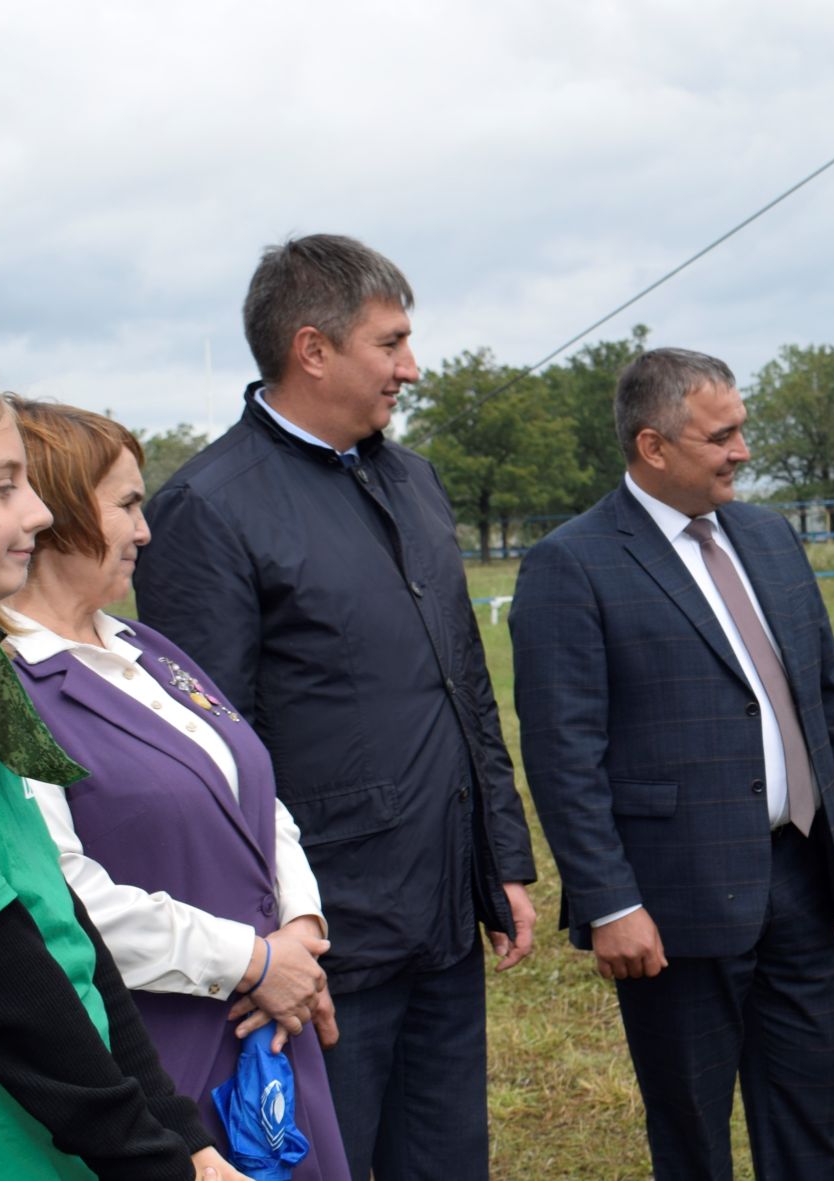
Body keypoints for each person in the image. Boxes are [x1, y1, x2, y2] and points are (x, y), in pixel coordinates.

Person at [132, 234, 538, 1181]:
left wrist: (499, 862)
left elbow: (465, 687)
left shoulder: (412, 478)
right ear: (312, 349)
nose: (412, 366)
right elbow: (209, 757)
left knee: (445, 1159)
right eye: (391, 342)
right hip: (325, 946)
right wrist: (264, 949)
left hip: (441, 914)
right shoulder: (209, 509)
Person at [511, 347, 834, 1181]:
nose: (742, 450)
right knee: (692, 1138)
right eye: (723, 436)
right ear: (653, 446)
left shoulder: (769, 537)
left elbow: (826, 694)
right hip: (671, 904)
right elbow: (565, 752)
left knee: (812, 1116)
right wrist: (610, 901)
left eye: (741, 429)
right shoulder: (571, 563)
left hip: (798, 878)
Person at [0, 355, 249, 1180]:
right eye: (4, 485)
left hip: (62, 1136)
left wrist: (180, 1132)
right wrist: (148, 1154)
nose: (40, 512)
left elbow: (63, 926)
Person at [0, 399, 349, 1180]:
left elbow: (257, 795)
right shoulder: (6, 685)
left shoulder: (145, 646)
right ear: (53, 513)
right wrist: (250, 959)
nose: (145, 530)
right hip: (166, 1048)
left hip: (270, 1023)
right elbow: (62, 894)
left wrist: (299, 928)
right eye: (126, 504)